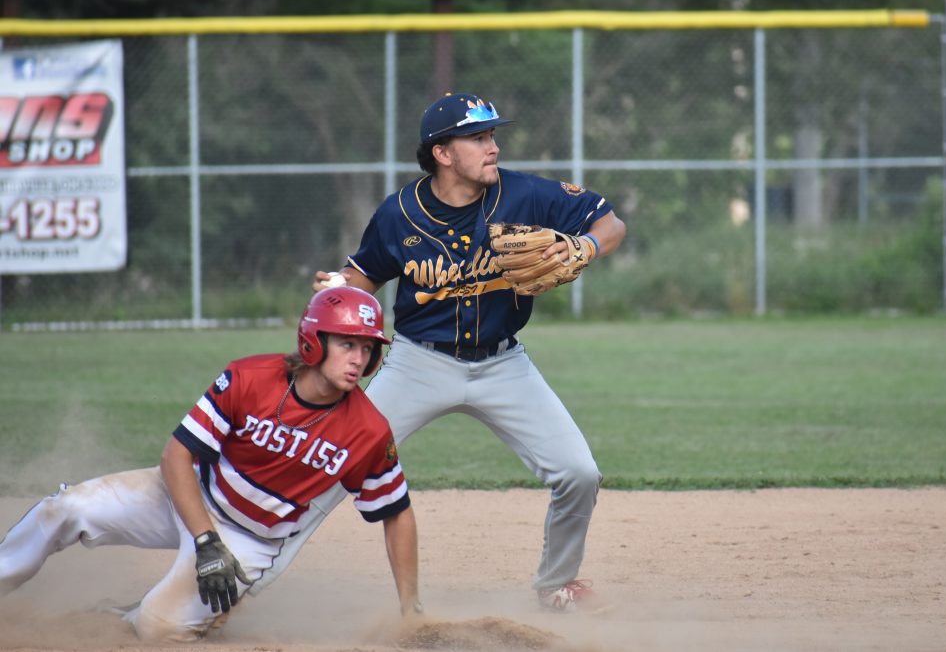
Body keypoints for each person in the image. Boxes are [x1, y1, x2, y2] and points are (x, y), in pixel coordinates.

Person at [312, 91, 627, 612]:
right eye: (477, 138)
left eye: (492, 135)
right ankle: (250, 565)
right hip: (418, 363)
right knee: (330, 462)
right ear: (442, 153)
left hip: (503, 363)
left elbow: (610, 222)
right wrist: (338, 286)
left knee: (579, 473)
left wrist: (586, 245)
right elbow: (364, 274)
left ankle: (557, 584)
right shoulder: (399, 213)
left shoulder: (526, 194)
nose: (492, 147)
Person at [0, 287, 421, 641]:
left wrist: (410, 609)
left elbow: (396, 512)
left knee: (156, 628)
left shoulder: (368, 431)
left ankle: (122, 617)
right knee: (64, 509)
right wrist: (205, 540)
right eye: (348, 344)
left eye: (367, 348)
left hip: (247, 540)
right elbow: (176, 455)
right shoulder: (251, 377)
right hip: (187, 495)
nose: (359, 359)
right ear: (315, 340)